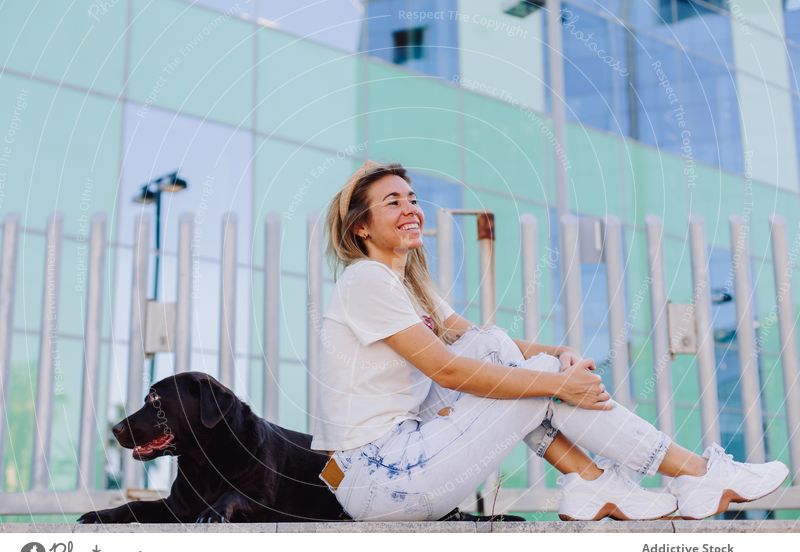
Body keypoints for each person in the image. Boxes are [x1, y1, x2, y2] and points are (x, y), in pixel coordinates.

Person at [310, 161, 789, 522]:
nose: (410, 208)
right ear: (361, 226)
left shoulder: (409, 285)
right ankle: (689, 474)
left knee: (493, 345)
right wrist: (556, 384)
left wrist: (557, 357)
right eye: (392, 202)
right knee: (521, 371)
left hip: (410, 457)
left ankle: (595, 482)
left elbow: (476, 343)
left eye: (412, 198)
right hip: (378, 475)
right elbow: (447, 370)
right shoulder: (366, 279)